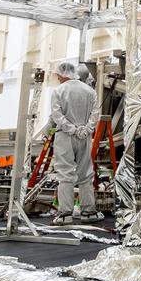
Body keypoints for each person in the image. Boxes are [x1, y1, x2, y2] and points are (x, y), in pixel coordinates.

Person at [46, 59, 100, 225]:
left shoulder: (58, 91)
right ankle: (88, 212)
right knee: (85, 174)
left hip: (65, 137)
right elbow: (95, 113)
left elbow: (57, 115)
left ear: (63, 74)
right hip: (84, 137)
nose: (58, 79)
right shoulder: (90, 91)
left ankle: (65, 214)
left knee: (65, 174)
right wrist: (85, 130)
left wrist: (71, 129)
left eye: (58, 76)